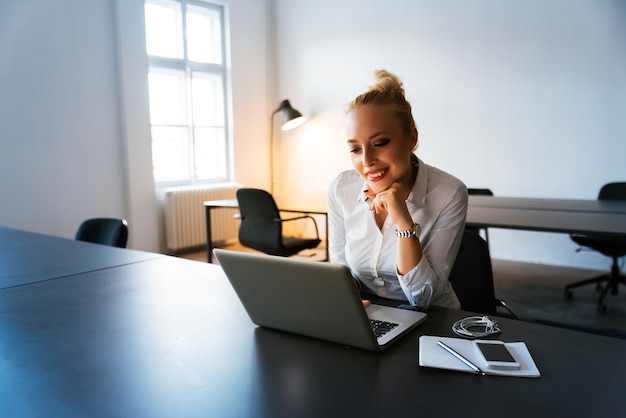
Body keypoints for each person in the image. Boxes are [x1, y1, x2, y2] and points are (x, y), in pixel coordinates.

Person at [328, 70, 468, 309]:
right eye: (355, 149)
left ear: (412, 138)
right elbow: (341, 272)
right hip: (369, 312)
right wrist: (346, 301)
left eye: (380, 143)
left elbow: (424, 297)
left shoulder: (449, 193)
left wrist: (404, 223)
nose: (367, 160)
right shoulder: (341, 189)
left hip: (432, 320)